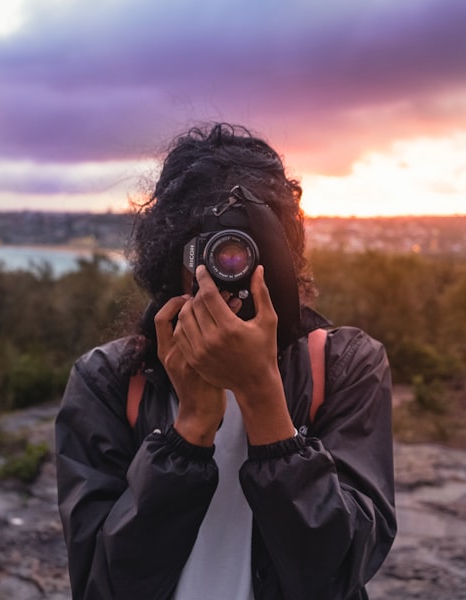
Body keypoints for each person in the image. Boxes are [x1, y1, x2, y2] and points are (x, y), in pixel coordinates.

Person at [56, 123, 397, 600]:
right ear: (169, 255)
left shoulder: (343, 367)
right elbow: (101, 584)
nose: (227, 270)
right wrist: (189, 430)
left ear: (281, 254)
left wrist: (262, 397)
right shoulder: (108, 381)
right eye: (210, 250)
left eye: (245, 247)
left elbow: (338, 574)